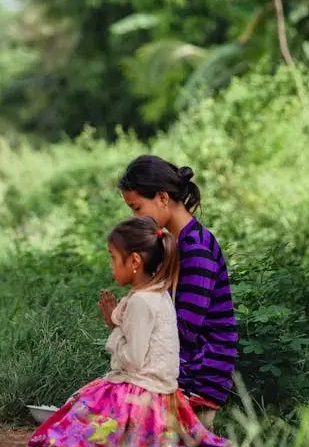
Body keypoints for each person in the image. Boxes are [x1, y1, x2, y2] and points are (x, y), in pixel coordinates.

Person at [29, 216, 230, 446]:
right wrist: (116, 324)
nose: (111, 265)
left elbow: (133, 359)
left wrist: (114, 332)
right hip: (164, 394)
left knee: (70, 429)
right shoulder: (159, 294)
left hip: (140, 394)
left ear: (134, 261)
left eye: (113, 258)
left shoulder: (141, 302)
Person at [117, 155, 239, 429]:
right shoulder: (174, 244)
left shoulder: (196, 249)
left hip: (198, 375)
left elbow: (183, 329)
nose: (135, 218)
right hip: (179, 366)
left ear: (162, 197)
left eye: (137, 208)